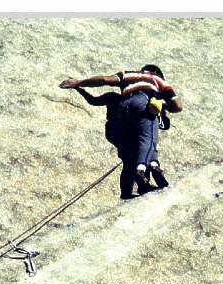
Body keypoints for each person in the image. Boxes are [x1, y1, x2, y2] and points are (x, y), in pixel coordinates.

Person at [59, 65, 183, 197]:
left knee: (131, 157)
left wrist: (78, 84)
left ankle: (129, 191)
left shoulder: (126, 79)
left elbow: (103, 81)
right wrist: (163, 105)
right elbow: (177, 107)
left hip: (120, 123)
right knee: (147, 140)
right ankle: (148, 168)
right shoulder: (157, 79)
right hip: (141, 107)